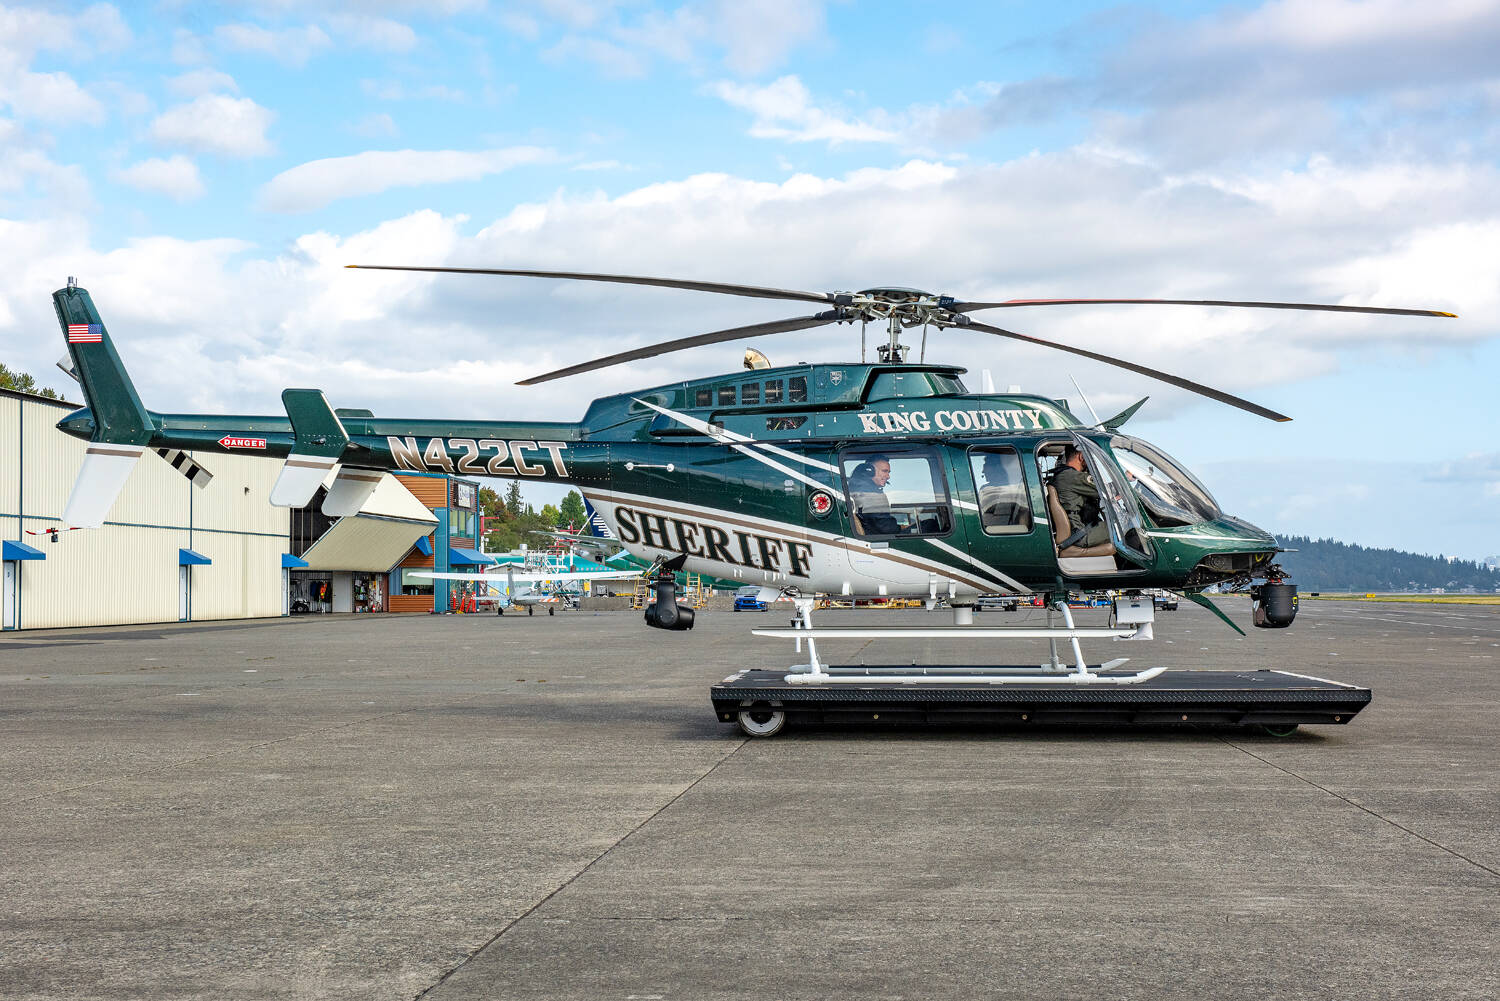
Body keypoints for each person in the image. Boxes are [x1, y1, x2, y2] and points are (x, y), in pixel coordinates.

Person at [1052, 446, 1110, 548]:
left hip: (1077, 531)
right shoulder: (1072, 477)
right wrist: (1126, 479)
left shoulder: (1062, 475)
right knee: (1127, 529)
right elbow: (1108, 491)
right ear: (1081, 456)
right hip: (1081, 534)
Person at [848, 455, 901, 535]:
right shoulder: (869, 494)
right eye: (884, 471)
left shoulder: (858, 489)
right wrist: (902, 528)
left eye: (888, 472)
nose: (888, 476)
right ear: (869, 471)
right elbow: (885, 528)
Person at [976, 451, 1028, 531]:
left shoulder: (986, 491)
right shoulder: (985, 489)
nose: (983, 471)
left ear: (996, 468)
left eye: (985, 466)